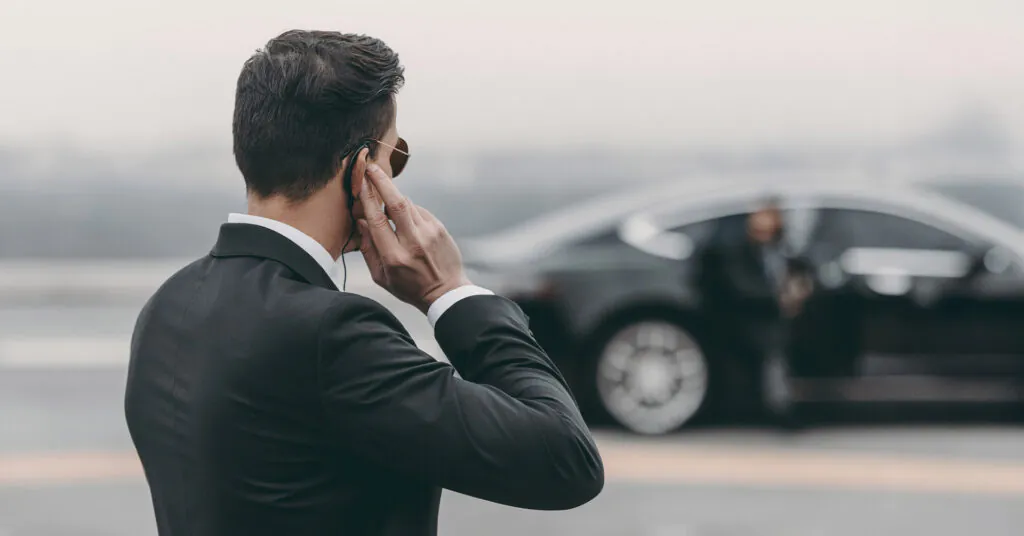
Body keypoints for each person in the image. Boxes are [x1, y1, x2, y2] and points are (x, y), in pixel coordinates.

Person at [123, 30, 603, 536]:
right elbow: (564, 461)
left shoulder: (167, 306)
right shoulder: (331, 334)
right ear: (361, 168)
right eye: (395, 158)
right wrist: (450, 293)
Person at [695, 196, 812, 428]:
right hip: (750, 319)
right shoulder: (736, 250)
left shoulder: (783, 250)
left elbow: (802, 274)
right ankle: (780, 407)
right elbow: (741, 288)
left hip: (781, 318)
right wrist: (780, 299)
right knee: (773, 346)